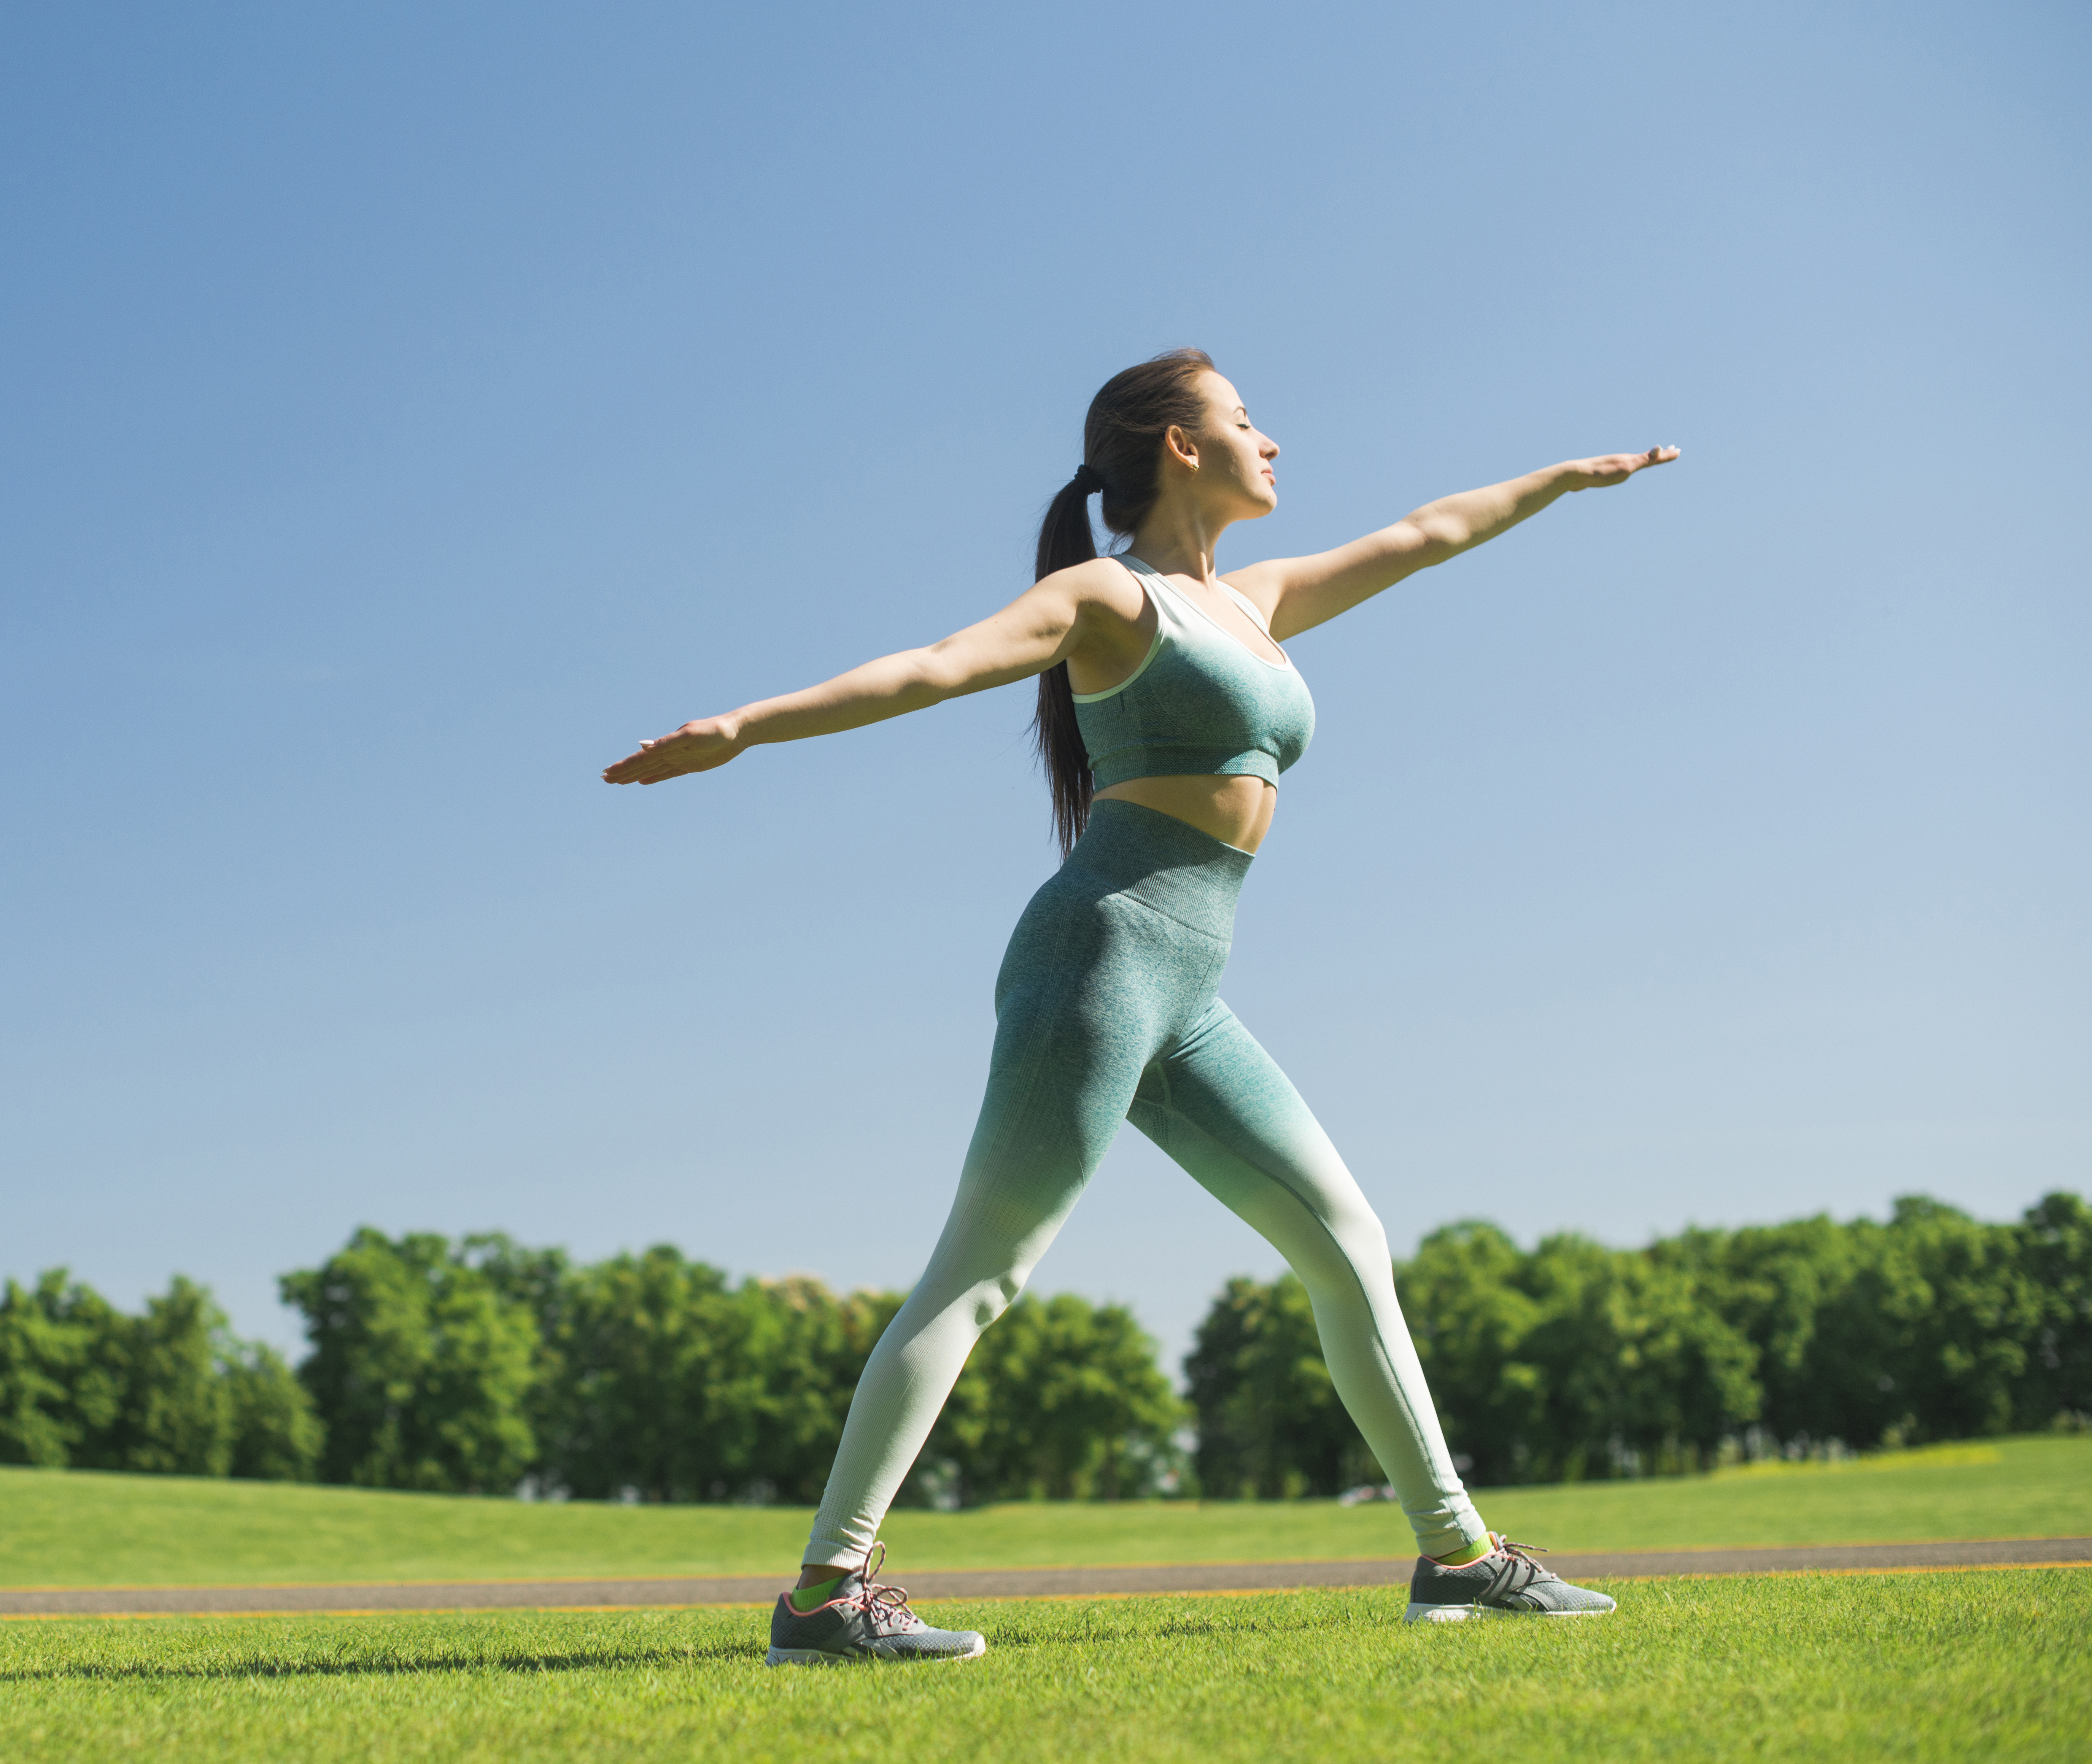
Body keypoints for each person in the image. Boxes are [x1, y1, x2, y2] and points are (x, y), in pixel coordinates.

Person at [603, 350, 1677, 1662]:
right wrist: (744, 726)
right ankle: (828, 1594)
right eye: (1244, 420)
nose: (1271, 441)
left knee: (1348, 1242)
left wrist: (1565, 478)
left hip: (1189, 991)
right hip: (1098, 963)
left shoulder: (1259, 601)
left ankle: (1459, 1557)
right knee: (984, 1273)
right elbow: (939, 666)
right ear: (1178, 446)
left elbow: (1427, 535)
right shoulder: (1110, 597)